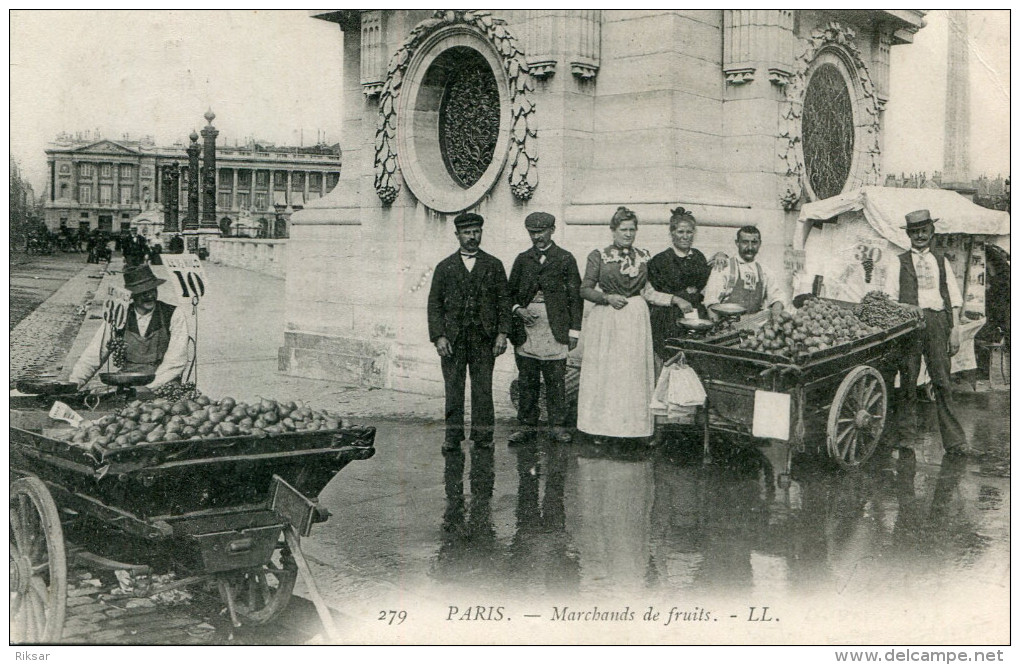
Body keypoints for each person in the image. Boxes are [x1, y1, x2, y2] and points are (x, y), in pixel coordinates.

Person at [576, 206, 687, 441]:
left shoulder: (642, 256)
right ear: (613, 230)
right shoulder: (599, 256)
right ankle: (601, 429)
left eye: (632, 229)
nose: (628, 234)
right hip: (607, 320)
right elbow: (584, 289)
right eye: (623, 229)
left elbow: (648, 292)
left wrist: (674, 300)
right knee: (607, 374)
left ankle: (634, 429)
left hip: (635, 319)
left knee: (632, 374)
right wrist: (606, 297)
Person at [427, 212, 512, 452]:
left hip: (484, 338)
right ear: (457, 235)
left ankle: (483, 437)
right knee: (453, 387)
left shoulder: (494, 265)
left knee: (483, 388)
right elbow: (434, 304)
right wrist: (439, 336)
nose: (472, 237)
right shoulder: (445, 267)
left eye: (476, 232)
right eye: (467, 232)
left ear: (481, 233)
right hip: (453, 339)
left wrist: (502, 333)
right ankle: (452, 437)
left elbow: (504, 301)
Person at [894, 209, 969, 456]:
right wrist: (906, 307)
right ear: (909, 235)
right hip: (909, 326)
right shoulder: (899, 261)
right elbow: (889, 299)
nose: (920, 236)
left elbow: (954, 298)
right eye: (915, 232)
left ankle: (955, 442)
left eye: (924, 231)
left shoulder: (940, 260)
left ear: (931, 232)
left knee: (943, 382)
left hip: (938, 323)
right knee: (908, 382)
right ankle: (906, 439)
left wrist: (955, 329)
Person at [507, 211, 583, 445]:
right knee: (527, 379)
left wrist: (574, 331)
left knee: (555, 381)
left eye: (541, 232)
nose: (537, 237)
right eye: (533, 232)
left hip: (555, 329)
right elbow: (508, 293)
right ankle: (526, 426)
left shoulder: (565, 259)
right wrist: (518, 309)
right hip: (527, 331)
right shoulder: (522, 259)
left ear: (552, 230)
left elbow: (575, 297)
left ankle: (557, 426)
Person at [69, 264, 189, 394]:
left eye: (152, 290)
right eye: (143, 292)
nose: (149, 296)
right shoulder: (119, 315)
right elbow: (94, 355)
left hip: (163, 384)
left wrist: (149, 387)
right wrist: (74, 383)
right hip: (127, 383)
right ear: (132, 295)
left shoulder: (173, 314)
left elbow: (176, 360)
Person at [647, 207, 713, 362]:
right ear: (672, 234)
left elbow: (704, 284)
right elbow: (649, 293)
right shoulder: (660, 260)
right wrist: (676, 299)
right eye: (680, 232)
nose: (685, 237)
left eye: (689, 232)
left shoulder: (698, 256)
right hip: (668, 317)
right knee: (672, 358)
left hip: (695, 315)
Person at [703, 225, 786, 318]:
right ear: (737, 243)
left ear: (760, 243)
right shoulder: (724, 267)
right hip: (726, 325)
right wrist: (716, 329)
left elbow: (777, 297)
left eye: (754, 242)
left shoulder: (765, 271)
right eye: (745, 242)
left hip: (755, 325)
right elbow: (711, 302)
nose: (750, 247)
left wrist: (777, 307)